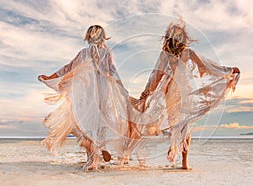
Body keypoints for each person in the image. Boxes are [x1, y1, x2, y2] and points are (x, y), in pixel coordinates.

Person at [138, 20, 240, 169]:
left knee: (175, 124)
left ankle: (174, 148)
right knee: (185, 125)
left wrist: (146, 92)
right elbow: (206, 67)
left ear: (168, 38)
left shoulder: (165, 55)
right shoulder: (187, 53)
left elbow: (156, 76)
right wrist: (227, 71)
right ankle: (184, 162)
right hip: (187, 90)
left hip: (172, 92)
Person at [38, 25, 129, 170]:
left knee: (83, 122)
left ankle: (92, 157)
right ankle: (101, 146)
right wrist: (122, 88)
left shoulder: (84, 53)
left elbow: (68, 68)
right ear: (103, 37)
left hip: (87, 91)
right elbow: (113, 72)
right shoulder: (107, 53)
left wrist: (51, 77)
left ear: (88, 37)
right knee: (101, 120)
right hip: (103, 91)